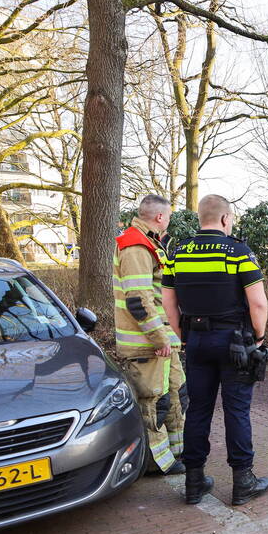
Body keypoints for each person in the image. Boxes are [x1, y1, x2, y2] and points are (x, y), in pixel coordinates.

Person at [161, 194, 268, 506]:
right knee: (236, 411)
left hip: (196, 341)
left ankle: (194, 482)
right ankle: (243, 482)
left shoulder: (178, 253)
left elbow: (168, 303)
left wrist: (184, 337)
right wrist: (259, 339)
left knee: (198, 410)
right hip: (235, 343)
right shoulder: (238, 251)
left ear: (200, 219)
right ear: (225, 219)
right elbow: (259, 303)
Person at [113, 195, 186, 475]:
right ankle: (156, 463)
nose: (168, 221)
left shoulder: (150, 243)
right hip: (148, 344)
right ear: (159, 217)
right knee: (154, 402)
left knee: (176, 393)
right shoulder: (135, 245)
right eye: (168, 217)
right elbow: (138, 300)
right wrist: (160, 338)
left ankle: (177, 451)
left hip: (163, 341)